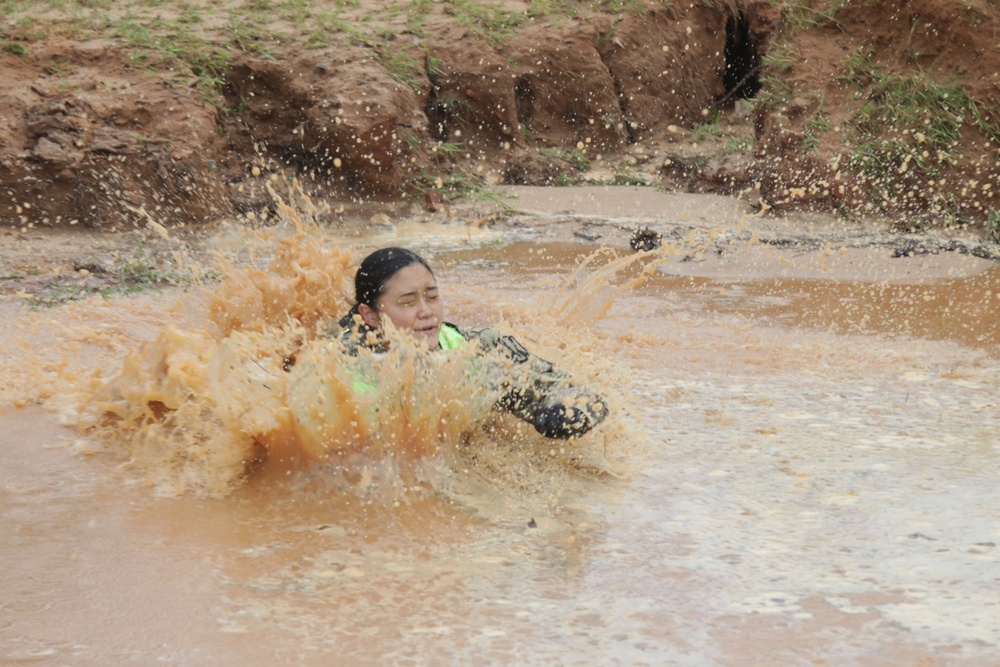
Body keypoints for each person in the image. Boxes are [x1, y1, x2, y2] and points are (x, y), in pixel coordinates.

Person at [330, 247, 608, 440]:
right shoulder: (340, 362)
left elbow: (566, 387)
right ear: (370, 315)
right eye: (408, 301)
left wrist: (565, 410)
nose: (427, 311)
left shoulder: (475, 345)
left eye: (432, 297)